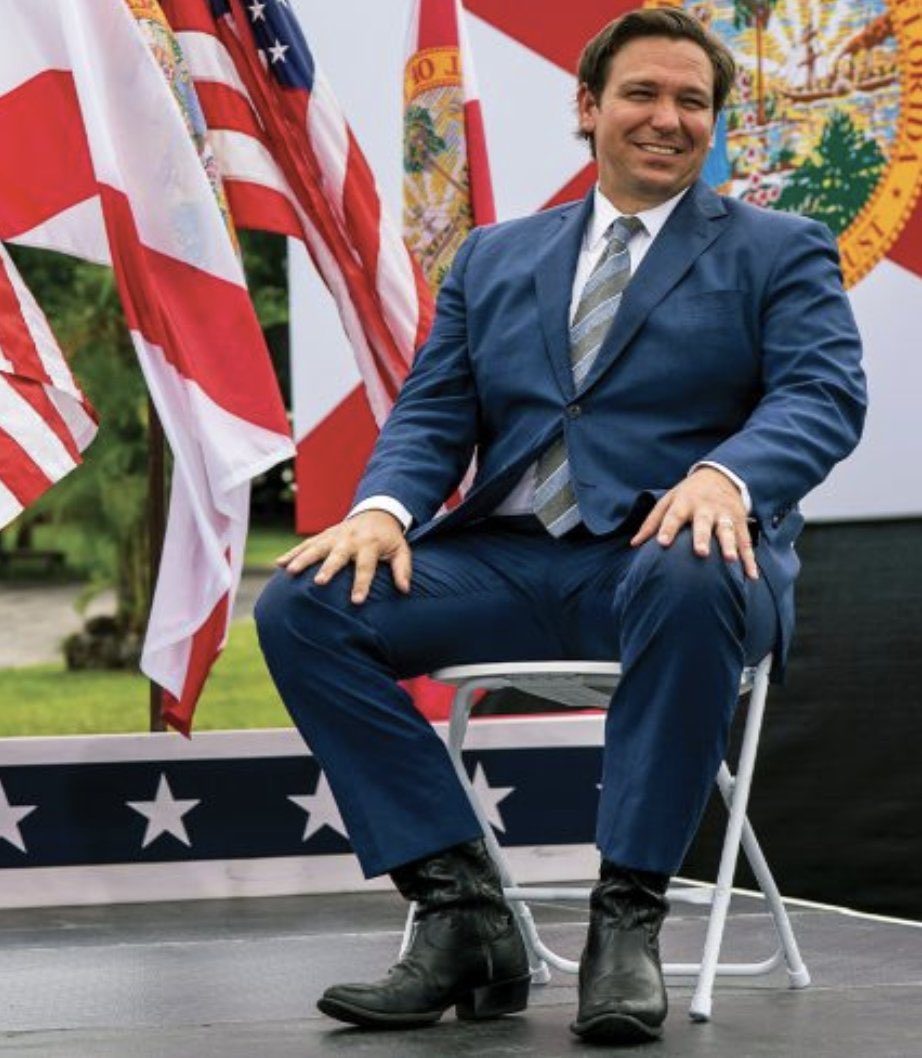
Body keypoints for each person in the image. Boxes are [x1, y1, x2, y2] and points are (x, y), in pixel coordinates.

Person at [255, 6, 866, 1046]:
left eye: (692, 101)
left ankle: (626, 920)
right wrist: (381, 509)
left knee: (690, 564)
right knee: (306, 603)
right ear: (588, 106)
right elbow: (434, 412)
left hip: (671, 568)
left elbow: (822, 393)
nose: (667, 118)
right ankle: (462, 913)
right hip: (507, 562)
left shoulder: (780, 249)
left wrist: (726, 476)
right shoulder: (493, 256)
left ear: (713, 121)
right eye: (643, 93)